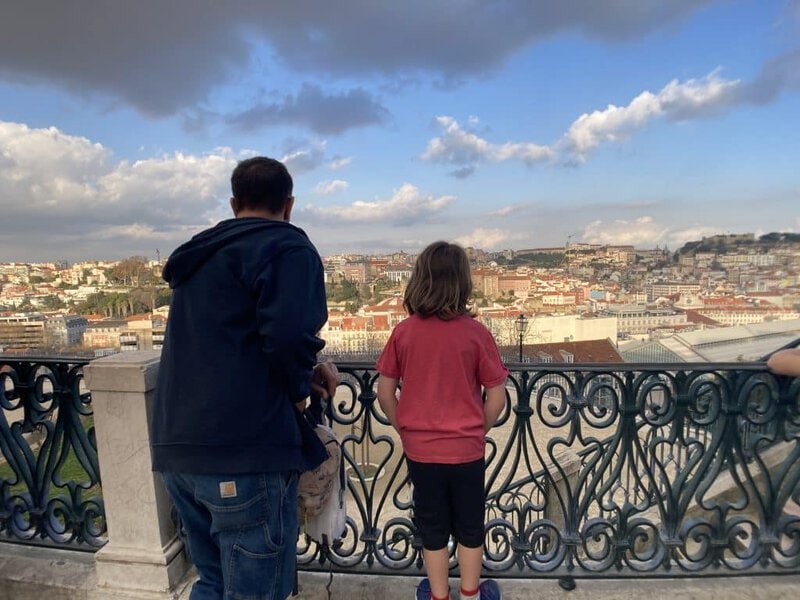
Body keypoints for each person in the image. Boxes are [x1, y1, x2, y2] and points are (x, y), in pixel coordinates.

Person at [150, 156, 338, 600]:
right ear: (289, 205)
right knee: (259, 589)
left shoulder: (198, 256)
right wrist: (297, 392)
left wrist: (299, 374)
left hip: (178, 450)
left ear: (234, 203)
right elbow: (291, 334)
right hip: (244, 450)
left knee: (213, 581)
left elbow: (234, 344)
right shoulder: (287, 247)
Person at [375, 241, 508, 600]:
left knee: (432, 526)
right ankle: (470, 594)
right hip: (466, 448)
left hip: (421, 450)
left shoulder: (403, 333)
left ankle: (437, 595)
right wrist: (477, 428)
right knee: (469, 525)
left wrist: (405, 426)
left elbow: (385, 393)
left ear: (420, 280)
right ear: (463, 282)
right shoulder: (476, 334)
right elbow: (497, 395)